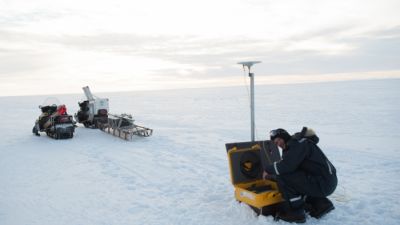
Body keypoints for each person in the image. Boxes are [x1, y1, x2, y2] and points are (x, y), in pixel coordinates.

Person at [263, 127, 337, 223]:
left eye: (278, 141)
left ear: (284, 137)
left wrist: (268, 169)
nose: (278, 145)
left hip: (323, 183)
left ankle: (296, 212)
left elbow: (287, 166)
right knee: (295, 177)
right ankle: (321, 204)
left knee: (283, 177)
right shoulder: (297, 143)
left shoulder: (296, 145)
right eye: (276, 143)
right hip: (326, 181)